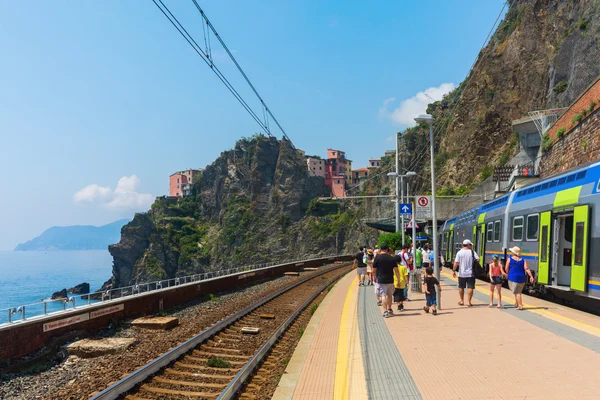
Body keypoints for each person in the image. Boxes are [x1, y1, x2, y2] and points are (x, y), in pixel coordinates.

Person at [372, 243, 401, 318]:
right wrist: (398, 280)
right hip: (390, 279)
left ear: (380, 249)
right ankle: (389, 309)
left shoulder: (377, 258)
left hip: (381, 280)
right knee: (390, 295)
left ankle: (385, 311)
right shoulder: (392, 258)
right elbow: (396, 270)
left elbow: (373, 270)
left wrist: (374, 277)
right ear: (387, 249)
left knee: (383, 295)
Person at [505, 246, 534, 310]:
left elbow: (506, 268)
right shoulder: (523, 260)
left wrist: (508, 274)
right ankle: (516, 303)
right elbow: (526, 268)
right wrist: (531, 276)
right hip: (522, 278)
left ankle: (520, 305)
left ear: (513, 252)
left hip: (513, 278)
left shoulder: (509, 259)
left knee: (517, 292)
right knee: (518, 291)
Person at [453, 239, 480, 307]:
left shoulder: (459, 253)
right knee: (470, 287)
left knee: (461, 287)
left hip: (461, 273)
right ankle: (469, 302)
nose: (471, 246)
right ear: (468, 245)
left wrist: (454, 270)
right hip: (471, 273)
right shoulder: (472, 252)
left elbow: (456, 262)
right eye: (470, 245)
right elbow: (478, 259)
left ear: (463, 245)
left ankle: (462, 301)